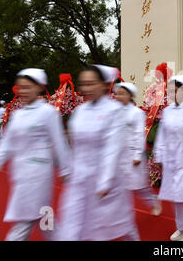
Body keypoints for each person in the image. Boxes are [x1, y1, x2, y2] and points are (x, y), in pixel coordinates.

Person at [0, 68, 71, 241]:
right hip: (21, 175)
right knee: (45, 221)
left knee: (25, 221)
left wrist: (66, 170)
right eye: (20, 87)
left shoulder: (48, 112)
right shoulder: (18, 115)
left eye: (27, 87)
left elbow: (59, 142)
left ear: (39, 87)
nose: (23, 91)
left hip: (39, 175)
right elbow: (6, 144)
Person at [57, 65, 139, 241]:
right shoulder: (79, 111)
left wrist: (105, 181)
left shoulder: (114, 111)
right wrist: (68, 169)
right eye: (84, 84)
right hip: (79, 180)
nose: (87, 88)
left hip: (106, 180)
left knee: (120, 227)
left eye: (91, 83)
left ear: (103, 84)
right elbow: (73, 145)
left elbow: (113, 147)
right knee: (71, 227)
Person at [153, 75, 183, 241]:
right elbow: (161, 135)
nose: (171, 94)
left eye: (175, 90)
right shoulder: (167, 111)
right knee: (174, 196)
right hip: (170, 159)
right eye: (169, 91)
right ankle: (182, 226)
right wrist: (159, 155)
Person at [113, 82, 162, 216]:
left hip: (133, 156)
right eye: (117, 94)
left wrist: (136, 155)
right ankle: (122, 212)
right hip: (119, 156)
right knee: (119, 186)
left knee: (139, 188)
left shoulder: (137, 113)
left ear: (130, 96)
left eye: (122, 94)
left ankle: (153, 201)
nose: (119, 96)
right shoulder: (115, 112)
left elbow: (139, 135)